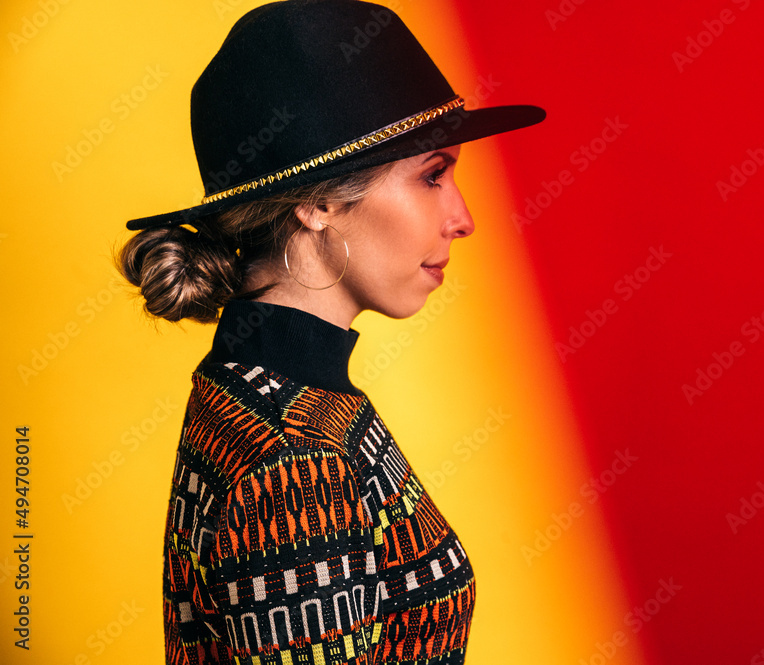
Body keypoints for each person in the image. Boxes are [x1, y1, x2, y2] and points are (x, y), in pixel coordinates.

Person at [113, 1, 545, 663]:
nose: (462, 218)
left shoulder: (268, 391)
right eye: (432, 174)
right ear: (315, 203)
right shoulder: (292, 461)